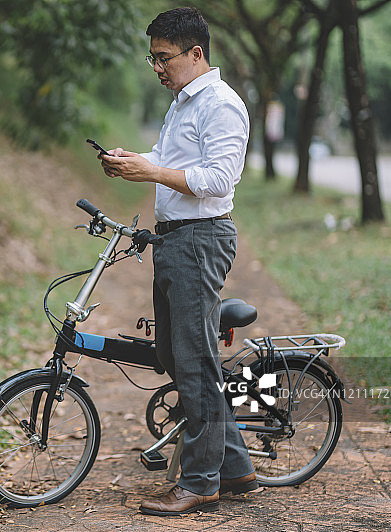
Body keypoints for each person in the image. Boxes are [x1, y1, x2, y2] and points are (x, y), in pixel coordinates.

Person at [99, 7, 257, 516]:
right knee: (175, 355)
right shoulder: (182, 103)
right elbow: (176, 162)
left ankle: (201, 481)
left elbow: (217, 180)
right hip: (173, 241)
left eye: (165, 57)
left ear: (196, 53)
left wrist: (153, 172)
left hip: (200, 240)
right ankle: (235, 465)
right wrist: (135, 163)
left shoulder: (222, 105)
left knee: (192, 361)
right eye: (153, 58)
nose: (158, 67)